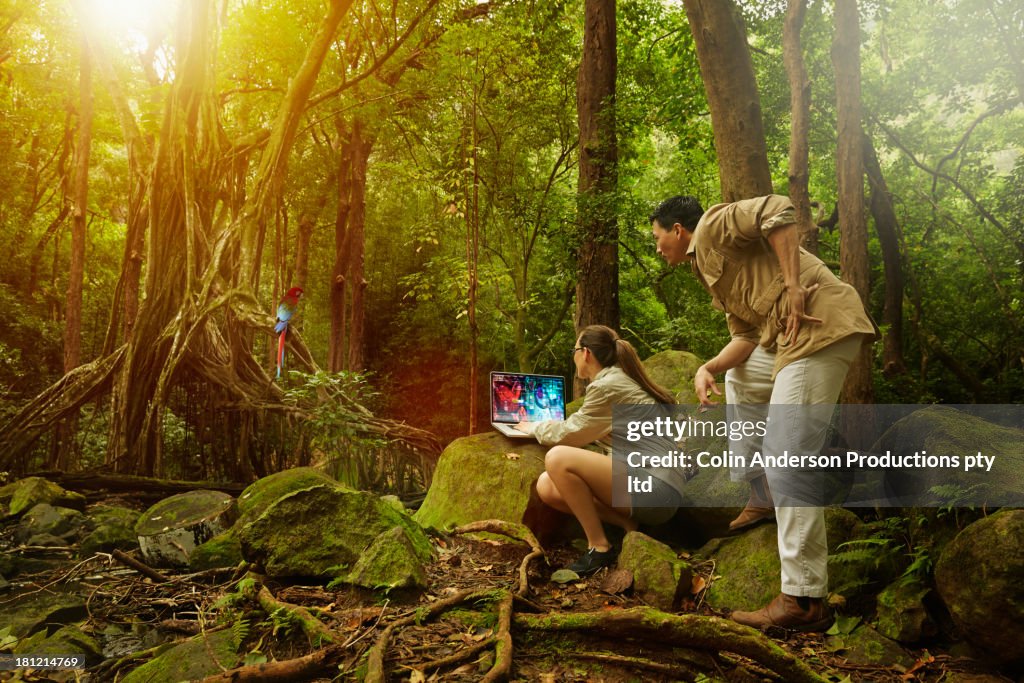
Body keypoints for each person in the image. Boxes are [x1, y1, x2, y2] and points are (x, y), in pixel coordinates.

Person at [649, 194, 878, 632]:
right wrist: (708, 367)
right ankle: (763, 493)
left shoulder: (714, 225)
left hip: (819, 326)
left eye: (658, 238)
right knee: (741, 378)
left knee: (787, 455)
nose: (658, 248)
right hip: (782, 341)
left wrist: (793, 285)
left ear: (678, 230)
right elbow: (748, 339)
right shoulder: (708, 273)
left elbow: (778, 208)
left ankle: (804, 600)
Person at [515, 324, 691, 576]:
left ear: (585, 353)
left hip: (655, 486)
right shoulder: (619, 378)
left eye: (574, 349)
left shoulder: (607, 386)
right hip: (651, 487)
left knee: (557, 458)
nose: (573, 355)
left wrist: (534, 427)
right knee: (547, 485)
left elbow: (572, 434)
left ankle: (599, 547)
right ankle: (627, 523)